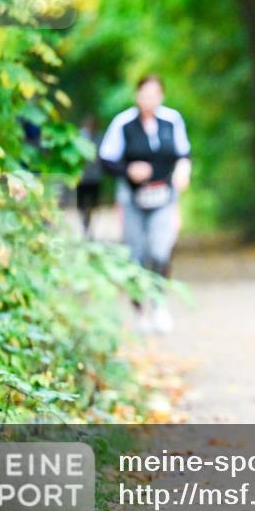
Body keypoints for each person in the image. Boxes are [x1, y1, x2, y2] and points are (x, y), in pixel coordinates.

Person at [99, 75, 192, 334]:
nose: (149, 99)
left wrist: (183, 171)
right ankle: (139, 311)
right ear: (137, 95)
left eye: (155, 94)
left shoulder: (171, 121)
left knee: (161, 251)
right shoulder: (123, 123)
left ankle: (159, 305)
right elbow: (106, 159)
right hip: (132, 200)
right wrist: (129, 170)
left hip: (164, 196)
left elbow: (183, 154)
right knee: (136, 255)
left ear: (161, 96)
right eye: (145, 93)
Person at [77, 115, 104, 239]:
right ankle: (85, 225)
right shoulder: (79, 137)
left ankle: (89, 227)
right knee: (82, 204)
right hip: (81, 178)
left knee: (93, 204)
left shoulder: (99, 138)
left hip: (94, 178)